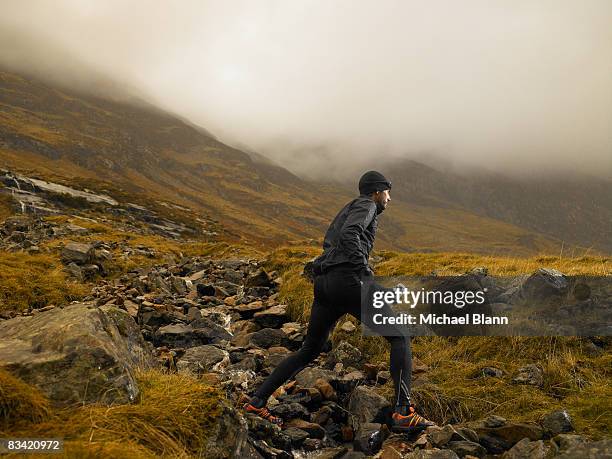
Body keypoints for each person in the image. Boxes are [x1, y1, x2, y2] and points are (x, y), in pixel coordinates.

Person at [243, 171, 435, 433]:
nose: (389, 199)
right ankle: (403, 412)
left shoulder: (349, 208)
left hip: (326, 285)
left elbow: (338, 240)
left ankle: (257, 401)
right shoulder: (366, 204)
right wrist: (363, 270)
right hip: (348, 280)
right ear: (376, 191)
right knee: (399, 335)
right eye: (388, 192)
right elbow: (350, 234)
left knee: (310, 349)